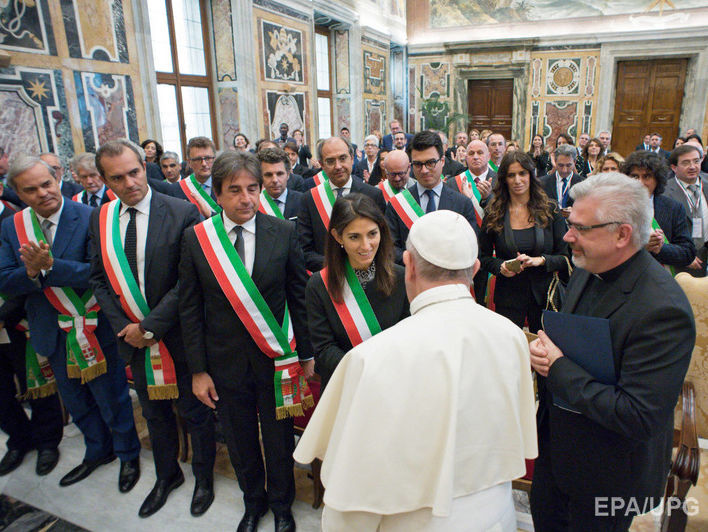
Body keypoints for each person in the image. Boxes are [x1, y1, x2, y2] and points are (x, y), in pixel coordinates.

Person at [294, 209, 537, 532]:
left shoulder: (370, 359)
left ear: (408, 266)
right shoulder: (511, 336)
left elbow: (352, 501)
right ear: (476, 268)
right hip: (496, 514)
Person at [529, 173, 694, 530]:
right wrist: (546, 355)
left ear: (622, 234)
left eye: (581, 229)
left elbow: (638, 415)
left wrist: (557, 368)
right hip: (558, 457)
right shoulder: (591, 264)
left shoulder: (662, 310)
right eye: (569, 224)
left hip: (609, 477)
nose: (568, 237)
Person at [179, 150, 313, 532]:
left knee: (278, 437)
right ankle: (253, 502)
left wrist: (305, 355)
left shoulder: (282, 232)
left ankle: (282, 505)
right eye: (234, 190)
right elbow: (190, 309)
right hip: (224, 363)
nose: (246, 198)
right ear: (216, 195)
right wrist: (199, 371)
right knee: (239, 440)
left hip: (276, 360)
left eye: (252, 188)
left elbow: (298, 296)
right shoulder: (197, 240)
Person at [89, 140, 216, 518]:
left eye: (134, 171)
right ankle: (167, 475)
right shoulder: (103, 218)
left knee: (196, 413)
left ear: (145, 167)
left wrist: (150, 326)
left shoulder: (181, 212)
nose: (129, 183)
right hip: (133, 340)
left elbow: (189, 282)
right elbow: (98, 278)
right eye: (117, 177)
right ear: (104, 180)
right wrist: (126, 329)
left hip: (179, 336)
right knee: (154, 413)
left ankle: (204, 478)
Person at [0, 155, 141, 490]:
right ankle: (97, 450)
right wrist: (32, 272)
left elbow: (102, 273)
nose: (43, 193)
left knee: (111, 398)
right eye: (31, 190)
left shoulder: (92, 217)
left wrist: (51, 267)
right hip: (49, 329)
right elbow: (5, 279)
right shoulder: (12, 226)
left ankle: (127, 454)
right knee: (75, 400)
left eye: (47, 184)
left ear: (58, 177)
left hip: (93, 325)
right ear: (18, 193)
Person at [306, 194, 409, 389]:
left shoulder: (401, 277)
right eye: (354, 237)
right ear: (338, 237)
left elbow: (407, 336)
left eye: (372, 234)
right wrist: (365, 371)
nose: (366, 246)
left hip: (392, 383)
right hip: (344, 385)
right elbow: (324, 349)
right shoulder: (319, 285)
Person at [479, 152, 568, 332]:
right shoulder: (494, 213)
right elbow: (483, 257)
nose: (517, 180)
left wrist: (541, 260)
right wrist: (501, 267)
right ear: (504, 179)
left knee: (543, 353)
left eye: (522, 173)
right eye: (511, 175)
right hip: (508, 298)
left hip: (545, 298)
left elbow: (566, 256)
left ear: (531, 175)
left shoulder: (550, 210)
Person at [385, 130, 479, 264]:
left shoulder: (462, 204)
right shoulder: (397, 204)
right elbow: (390, 248)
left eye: (430, 163)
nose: (424, 170)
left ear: (442, 161)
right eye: (418, 164)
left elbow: (470, 246)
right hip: (411, 279)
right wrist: (419, 264)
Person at [297, 137, 385, 272]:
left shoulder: (373, 195)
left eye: (343, 158)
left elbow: (383, 243)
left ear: (352, 158)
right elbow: (305, 250)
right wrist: (338, 266)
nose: (338, 166)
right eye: (330, 161)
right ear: (321, 164)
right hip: (327, 280)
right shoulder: (309, 199)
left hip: (367, 280)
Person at [623, 151, 695, 272]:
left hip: (658, 282)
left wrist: (659, 248)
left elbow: (688, 253)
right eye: (635, 176)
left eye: (646, 176)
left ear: (657, 179)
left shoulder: (673, 208)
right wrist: (638, 246)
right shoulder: (616, 206)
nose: (640, 182)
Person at [663, 144, 708, 276]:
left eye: (696, 161)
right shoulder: (665, 192)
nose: (693, 166)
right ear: (674, 167)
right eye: (686, 163)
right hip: (681, 259)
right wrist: (683, 256)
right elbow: (664, 231)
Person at [172, 136, 220, 217]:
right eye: (198, 159)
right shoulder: (177, 190)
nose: (204, 164)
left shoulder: (225, 185)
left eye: (208, 158)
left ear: (214, 160)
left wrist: (210, 215)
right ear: (189, 163)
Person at [257, 147, 303, 220]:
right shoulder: (255, 204)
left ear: (288, 174)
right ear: (260, 176)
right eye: (268, 175)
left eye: (279, 174)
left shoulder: (303, 202)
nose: (275, 180)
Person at [540, 144, 584, 214]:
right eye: (560, 165)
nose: (564, 170)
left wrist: (575, 211)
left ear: (574, 162)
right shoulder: (542, 183)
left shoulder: (583, 184)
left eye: (568, 165)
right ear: (555, 162)